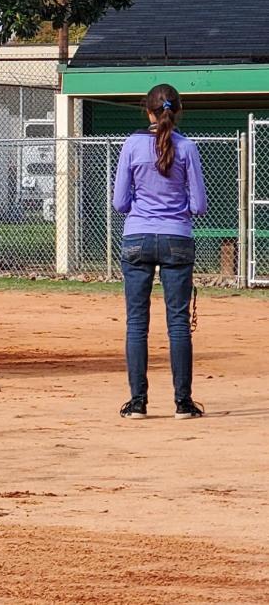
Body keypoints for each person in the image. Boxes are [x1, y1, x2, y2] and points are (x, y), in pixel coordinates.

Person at [113, 84, 208, 420]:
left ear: (148, 111)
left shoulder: (131, 145)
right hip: (177, 239)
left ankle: (137, 402)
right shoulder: (188, 148)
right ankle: (183, 402)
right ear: (177, 111)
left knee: (136, 323)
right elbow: (199, 205)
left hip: (137, 237)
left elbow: (120, 202)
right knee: (178, 323)